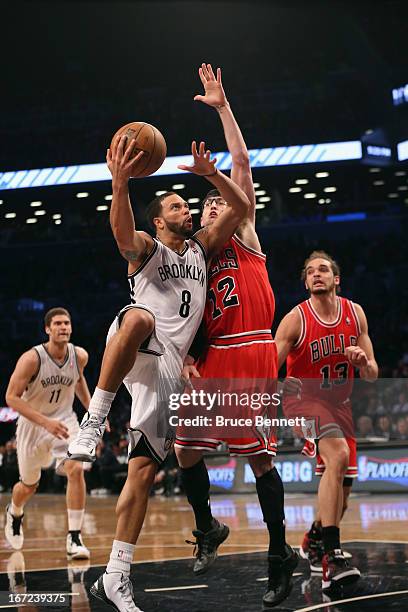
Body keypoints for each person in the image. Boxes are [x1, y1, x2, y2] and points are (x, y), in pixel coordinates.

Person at [68, 134, 249, 611]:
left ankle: (116, 574)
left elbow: (242, 205)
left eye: (186, 204)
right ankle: (94, 421)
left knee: (144, 472)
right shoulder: (147, 248)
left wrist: (211, 174)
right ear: (158, 219)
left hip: (167, 370)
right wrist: (120, 183)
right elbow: (122, 235)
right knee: (140, 316)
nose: (186, 210)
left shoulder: (202, 249)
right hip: (133, 341)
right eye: (176, 206)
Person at [173, 64, 297, 609]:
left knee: (260, 461)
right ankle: (207, 525)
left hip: (251, 348)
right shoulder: (196, 256)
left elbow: (242, 168)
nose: (213, 206)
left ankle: (278, 557)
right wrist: (188, 355)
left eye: (218, 201)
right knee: (184, 451)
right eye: (206, 206)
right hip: (212, 358)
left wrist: (222, 108)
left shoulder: (244, 231)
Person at [274, 251, 378, 590]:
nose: (316, 274)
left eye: (323, 270)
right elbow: (267, 367)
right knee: (338, 456)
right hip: (303, 401)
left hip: (340, 404)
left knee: (343, 495)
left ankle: (314, 539)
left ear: (337, 278)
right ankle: (332, 555)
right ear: (305, 283)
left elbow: (373, 373)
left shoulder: (355, 313)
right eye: (310, 272)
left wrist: (363, 363)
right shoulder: (295, 319)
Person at [4, 307, 91, 560]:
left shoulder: (80, 356)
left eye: (67, 323)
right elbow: (11, 397)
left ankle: (74, 537)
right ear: (47, 329)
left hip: (64, 421)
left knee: (76, 467)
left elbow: (78, 381)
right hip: (33, 424)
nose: (63, 327)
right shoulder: (31, 359)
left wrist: (93, 411)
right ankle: (15, 510)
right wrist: (45, 422)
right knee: (29, 486)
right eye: (58, 324)